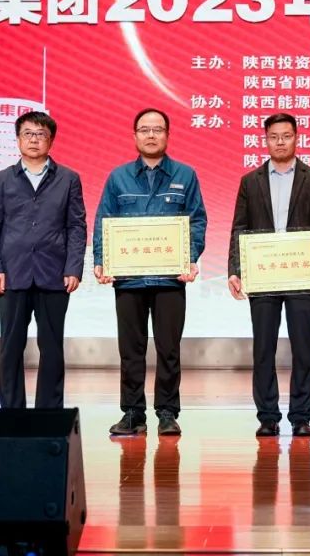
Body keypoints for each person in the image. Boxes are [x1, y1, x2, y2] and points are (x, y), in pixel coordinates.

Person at [94, 108, 207, 437]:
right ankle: (132, 413)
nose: (151, 135)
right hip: (129, 279)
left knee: (169, 349)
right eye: (145, 130)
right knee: (131, 349)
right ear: (135, 136)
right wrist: (102, 259)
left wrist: (189, 257)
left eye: (158, 129)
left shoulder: (185, 175)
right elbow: (104, 221)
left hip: (170, 279)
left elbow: (197, 220)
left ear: (167, 135)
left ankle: (167, 412)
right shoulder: (118, 177)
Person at [227, 113, 310, 438]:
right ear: (266, 140)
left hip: (302, 274)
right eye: (274, 136)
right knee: (263, 348)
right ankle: (267, 416)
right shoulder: (250, 181)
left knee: (303, 347)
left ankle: (301, 416)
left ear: (296, 138)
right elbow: (239, 228)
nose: (280, 142)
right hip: (262, 276)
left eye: (286, 136)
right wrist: (235, 269)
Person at [0, 111, 86, 409]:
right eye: (28, 134)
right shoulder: (2, 179)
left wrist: (73, 267)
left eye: (41, 134)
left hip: (54, 273)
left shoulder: (68, 179)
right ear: (18, 139)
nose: (34, 140)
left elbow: (76, 226)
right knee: (10, 347)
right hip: (12, 274)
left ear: (51, 141)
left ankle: (48, 414)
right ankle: (12, 413)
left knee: (51, 347)